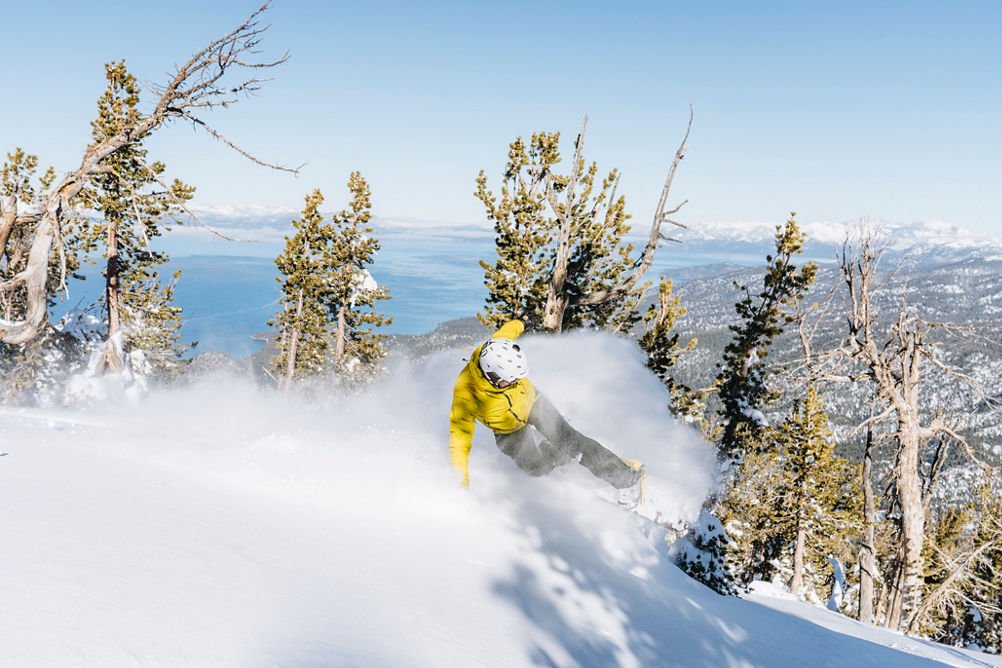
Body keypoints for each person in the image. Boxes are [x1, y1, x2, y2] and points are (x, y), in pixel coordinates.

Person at [448, 319, 646, 507]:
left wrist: (524, 321)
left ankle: (625, 478)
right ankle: (556, 454)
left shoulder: (497, 346)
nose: (515, 383)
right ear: (493, 376)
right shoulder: (465, 395)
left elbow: (510, 329)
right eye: (511, 380)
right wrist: (459, 484)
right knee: (536, 469)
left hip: (534, 402)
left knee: (574, 442)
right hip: (509, 431)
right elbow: (459, 442)